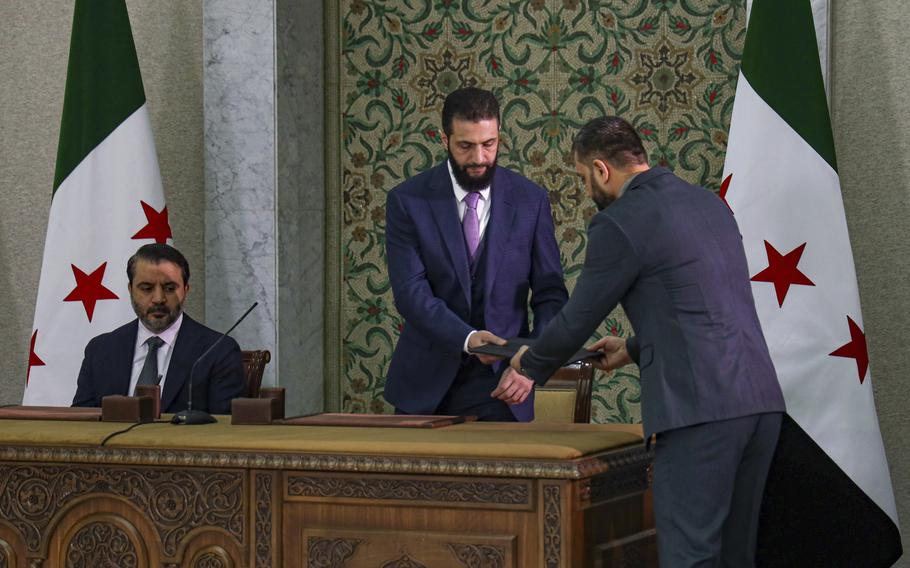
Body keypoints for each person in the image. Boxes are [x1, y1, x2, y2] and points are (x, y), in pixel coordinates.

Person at [503, 116, 786, 565]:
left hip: (699, 413)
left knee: (688, 557)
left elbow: (577, 318)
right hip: (760, 405)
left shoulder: (619, 222)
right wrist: (631, 350)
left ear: (601, 169)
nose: (587, 190)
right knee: (736, 557)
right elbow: (710, 305)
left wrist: (528, 364)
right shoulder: (710, 205)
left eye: (582, 178)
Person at [383, 87, 568, 421]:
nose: (480, 158)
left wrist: (531, 365)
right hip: (424, 385)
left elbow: (551, 294)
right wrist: (467, 339)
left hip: (504, 384)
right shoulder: (407, 201)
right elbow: (410, 293)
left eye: (489, 144)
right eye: (466, 146)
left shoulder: (531, 200)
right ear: (445, 140)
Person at [72, 243, 246, 414]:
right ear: (130, 289)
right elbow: (81, 420)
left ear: (185, 290)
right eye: (146, 288)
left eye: (170, 288)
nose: (158, 298)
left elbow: (225, 427)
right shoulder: (101, 349)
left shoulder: (218, 351)